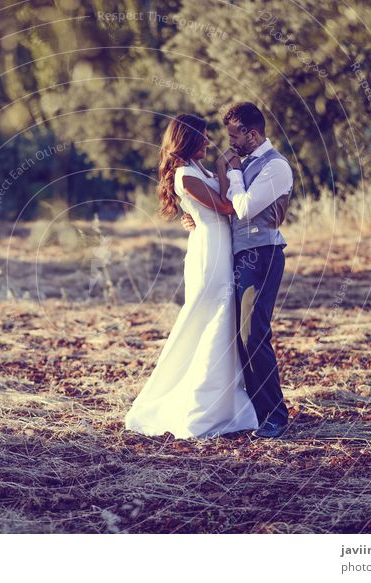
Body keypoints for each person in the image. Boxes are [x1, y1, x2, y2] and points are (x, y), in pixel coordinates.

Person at [124, 113, 259, 439]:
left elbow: (211, 206)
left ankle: (226, 404)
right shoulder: (185, 175)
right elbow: (227, 207)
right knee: (209, 318)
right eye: (202, 135)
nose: (208, 141)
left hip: (219, 246)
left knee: (222, 321)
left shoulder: (199, 169)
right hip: (208, 254)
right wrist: (228, 170)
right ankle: (198, 408)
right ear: (187, 138)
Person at [182, 102, 293, 438]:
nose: (229, 142)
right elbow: (222, 205)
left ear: (252, 133)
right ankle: (256, 412)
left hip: (263, 254)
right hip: (239, 256)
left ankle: (275, 416)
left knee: (253, 334)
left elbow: (243, 209)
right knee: (240, 336)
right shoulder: (244, 164)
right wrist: (196, 218)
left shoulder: (277, 168)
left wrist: (231, 172)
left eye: (234, 135)